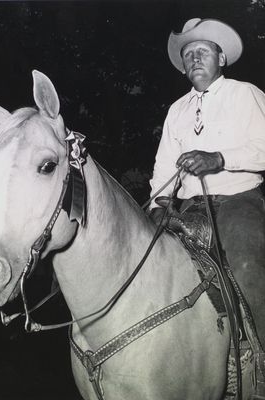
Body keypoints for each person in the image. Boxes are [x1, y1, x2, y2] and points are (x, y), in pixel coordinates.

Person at [149, 17, 265, 393]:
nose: (195, 58)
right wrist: (157, 204)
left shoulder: (245, 94)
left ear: (222, 58)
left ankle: (261, 368)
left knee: (247, 269)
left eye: (203, 51)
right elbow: (164, 165)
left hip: (238, 200)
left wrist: (219, 157)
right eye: (188, 54)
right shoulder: (176, 110)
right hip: (188, 207)